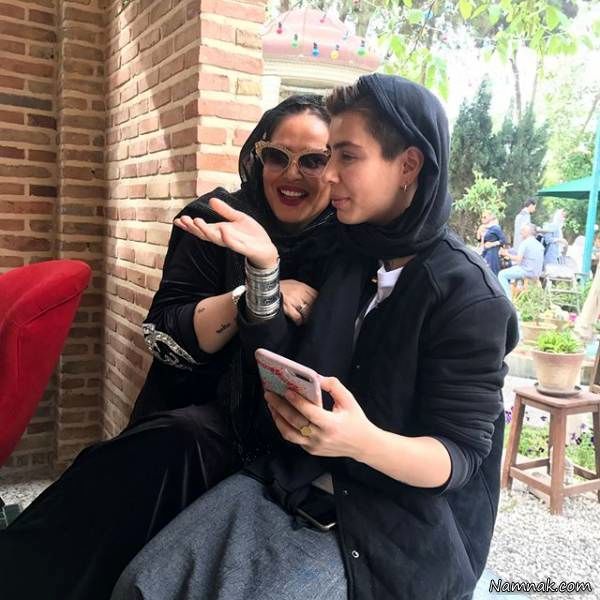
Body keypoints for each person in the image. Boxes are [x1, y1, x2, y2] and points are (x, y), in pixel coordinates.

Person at [112, 74, 518, 600]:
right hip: (290, 478)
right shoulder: (350, 256)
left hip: (392, 524)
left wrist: (360, 441)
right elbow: (284, 358)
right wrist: (264, 267)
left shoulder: (468, 296)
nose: (326, 176)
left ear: (408, 166)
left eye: (345, 156)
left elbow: (457, 457)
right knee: (142, 585)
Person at [0, 95, 338, 600]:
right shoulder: (217, 220)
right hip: (193, 415)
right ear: (258, 156)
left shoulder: (345, 244)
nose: (292, 174)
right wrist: (257, 289)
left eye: (313, 160)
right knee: (157, 463)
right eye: (277, 156)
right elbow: (166, 334)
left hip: (284, 436)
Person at [498, 223, 545, 299]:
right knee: (514, 269)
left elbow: (518, 260)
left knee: (502, 274)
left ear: (528, 232)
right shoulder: (539, 245)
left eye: (523, 230)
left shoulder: (525, 243)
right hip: (536, 273)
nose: (521, 232)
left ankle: (508, 298)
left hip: (527, 271)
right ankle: (515, 294)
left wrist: (506, 253)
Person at [478, 210, 507, 275]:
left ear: (490, 217)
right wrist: (479, 232)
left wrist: (492, 244)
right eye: (482, 217)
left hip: (493, 253)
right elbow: (481, 241)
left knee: (492, 272)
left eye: (484, 217)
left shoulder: (495, 228)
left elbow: (504, 240)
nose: (482, 219)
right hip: (485, 252)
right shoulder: (485, 228)